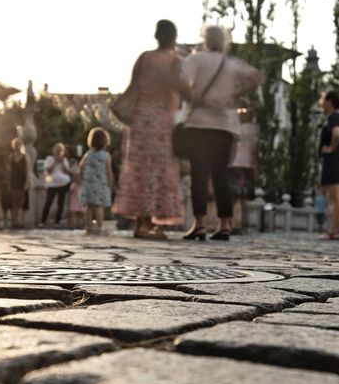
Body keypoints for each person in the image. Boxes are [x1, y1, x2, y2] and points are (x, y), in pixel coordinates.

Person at [179, 24, 264, 241]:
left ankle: (198, 224)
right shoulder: (231, 63)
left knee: (199, 174)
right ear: (224, 41)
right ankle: (225, 224)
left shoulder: (196, 59)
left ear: (205, 39)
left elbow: (179, 79)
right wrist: (236, 93)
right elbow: (257, 76)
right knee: (220, 175)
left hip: (198, 124)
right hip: (225, 126)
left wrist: (193, 97)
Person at [112, 19, 187, 240]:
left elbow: (133, 86)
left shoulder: (144, 58)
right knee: (159, 171)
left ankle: (141, 223)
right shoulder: (175, 61)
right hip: (161, 121)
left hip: (139, 120)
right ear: (174, 38)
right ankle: (153, 224)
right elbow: (179, 88)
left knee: (139, 170)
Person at [318, 89, 339, 240]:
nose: (321, 102)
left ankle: (334, 231)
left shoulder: (333, 117)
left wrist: (332, 148)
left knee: (335, 198)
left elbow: (337, 134)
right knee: (336, 197)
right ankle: (334, 230)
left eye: (323, 99)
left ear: (330, 102)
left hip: (333, 161)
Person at [80, 127, 116, 233]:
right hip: (101, 183)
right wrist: (111, 183)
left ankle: (88, 226)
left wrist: (83, 177)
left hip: (88, 182)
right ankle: (99, 226)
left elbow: (81, 166)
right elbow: (109, 171)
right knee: (99, 206)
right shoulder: (106, 155)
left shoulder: (88, 154)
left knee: (89, 205)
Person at [41, 142, 75, 226]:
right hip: (52, 184)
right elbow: (48, 170)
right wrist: (55, 161)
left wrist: (63, 162)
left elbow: (67, 171)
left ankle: (57, 221)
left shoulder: (64, 160)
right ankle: (42, 221)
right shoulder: (49, 159)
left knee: (61, 203)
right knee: (48, 202)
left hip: (63, 183)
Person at [4, 137, 30, 228]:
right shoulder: (11, 157)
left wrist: (27, 182)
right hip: (14, 182)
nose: (17, 147)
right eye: (15, 145)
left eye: (18, 145)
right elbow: (9, 171)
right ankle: (14, 221)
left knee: (21, 204)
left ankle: (19, 222)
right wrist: (9, 182)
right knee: (13, 203)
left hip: (22, 182)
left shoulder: (24, 157)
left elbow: (27, 171)